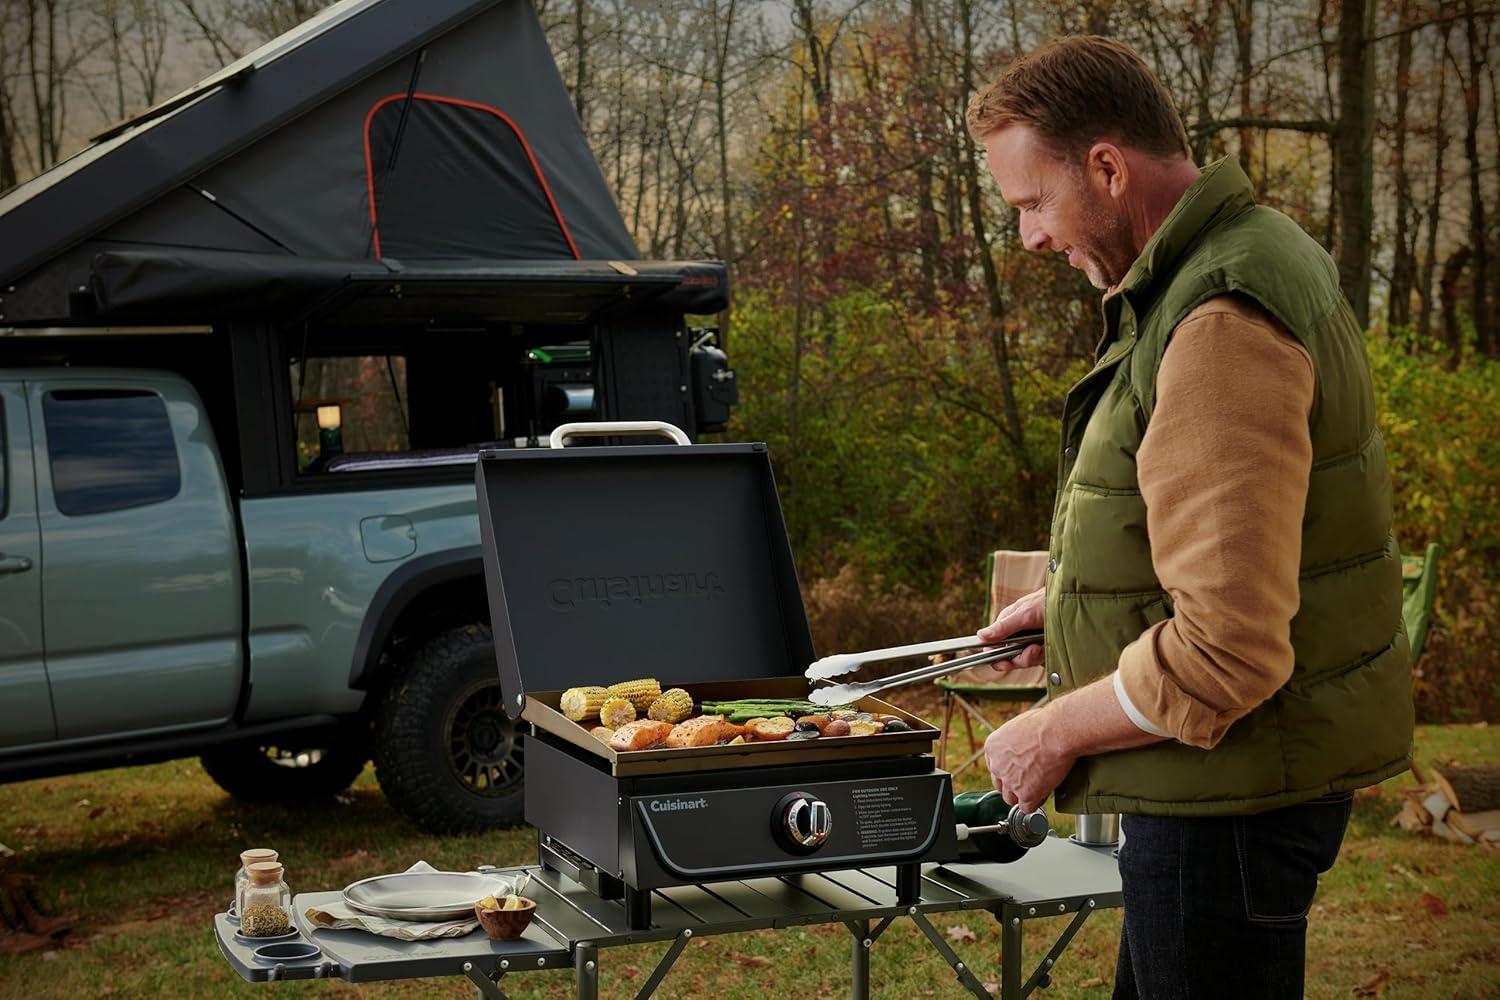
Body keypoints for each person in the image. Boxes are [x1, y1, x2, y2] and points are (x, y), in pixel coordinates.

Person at [964, 36, 1413, 999]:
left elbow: (1228, 652)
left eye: (1032, 203)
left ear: (1109, 168)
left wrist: (1053, 732)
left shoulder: (1215, 317)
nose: (1031, 239)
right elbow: (1237, 535)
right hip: (1222, 787)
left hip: (1229, 802)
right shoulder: (1242, 252)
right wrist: (1073, 605)